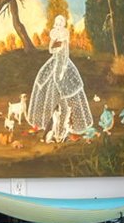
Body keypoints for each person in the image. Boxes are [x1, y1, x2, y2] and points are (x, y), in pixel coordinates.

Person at [29, 13, 94, 143]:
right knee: (44, 82)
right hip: (54, 62)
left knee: (69, 90)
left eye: (60, 24)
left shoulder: (65, 35)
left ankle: (68, 127)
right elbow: (51, 50)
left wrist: (63, 68)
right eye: (57, 24)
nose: (58, 26)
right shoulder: (55, 34)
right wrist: (55, 44)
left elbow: (65, 53)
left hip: (64, 64)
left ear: (63, 25)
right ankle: (48, 125)